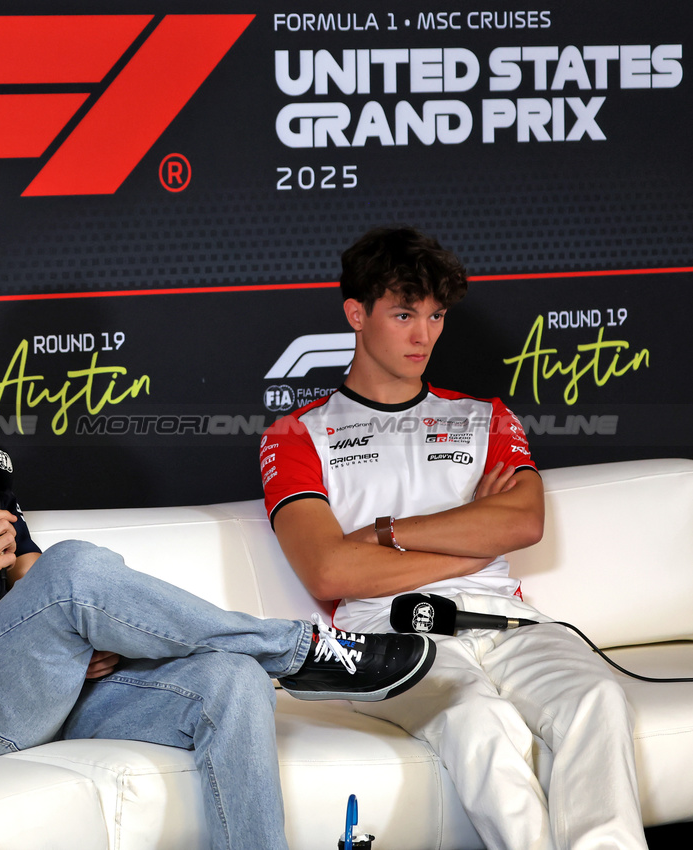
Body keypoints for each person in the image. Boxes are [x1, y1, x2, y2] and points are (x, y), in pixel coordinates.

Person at [0, 282, 437, 850]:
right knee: (77, 567)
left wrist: (71, 635)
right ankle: (299, 650)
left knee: (230, 681)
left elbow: (33, 577)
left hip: (45, 686)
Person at [262, 227, 646, 850]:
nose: (424, 335)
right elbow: (330, 573)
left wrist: (385, 535)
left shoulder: (485, 415)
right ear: (355, 314)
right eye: (404, 313)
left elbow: (522, 523)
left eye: (436, 315)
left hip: (508, 621)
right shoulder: (295, 434)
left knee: (598, 696)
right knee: (478, 719)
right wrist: (471, 533)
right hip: (389, 635)